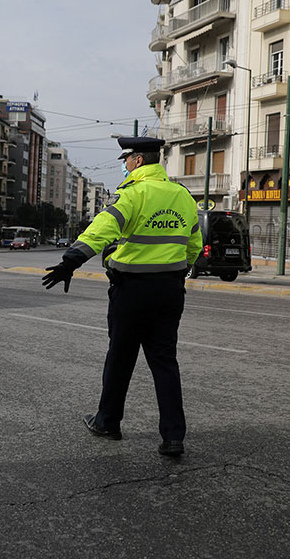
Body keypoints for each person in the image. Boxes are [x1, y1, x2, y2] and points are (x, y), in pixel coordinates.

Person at [41, 136, 202, 457]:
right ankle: (173, 437)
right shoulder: (183, 197)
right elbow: (194, 245)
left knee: (121, 357)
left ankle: (108, 422)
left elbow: (101, 230)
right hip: (170, 291)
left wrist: (70, 261)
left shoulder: (133, 194)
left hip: (132, 290)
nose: (126, 164)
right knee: (165, 362)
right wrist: (176, 273)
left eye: (126, 158)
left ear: (138, 161)